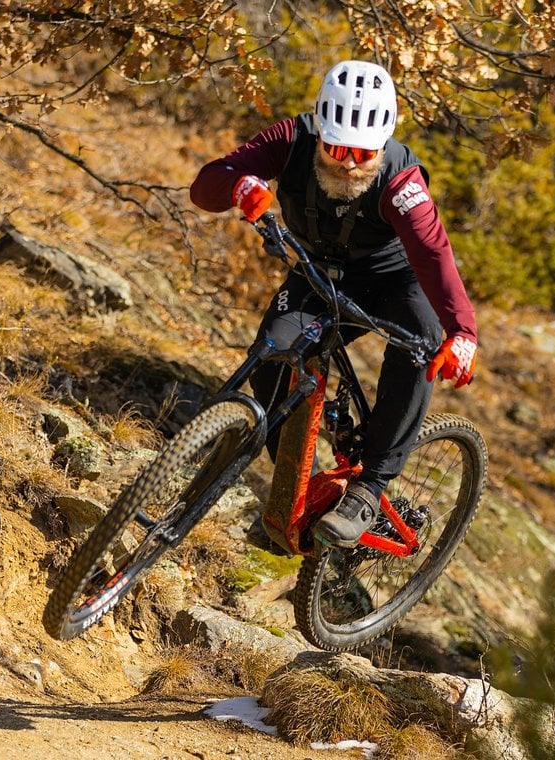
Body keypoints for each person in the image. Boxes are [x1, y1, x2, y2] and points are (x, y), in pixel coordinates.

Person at [189, 60, 478, 547]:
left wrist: (463, 332)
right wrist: (239, 186)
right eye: (338, 147)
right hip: (317, 273)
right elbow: (208, 182)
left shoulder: (401, 182)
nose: (349, 162)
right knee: (272, 359)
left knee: (423, 346)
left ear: (382, 145)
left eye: (364, 153)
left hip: (393, 282)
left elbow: (433, 254)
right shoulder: (292, 138)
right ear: (320, 129)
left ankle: (370, 488)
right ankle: (297, 495)